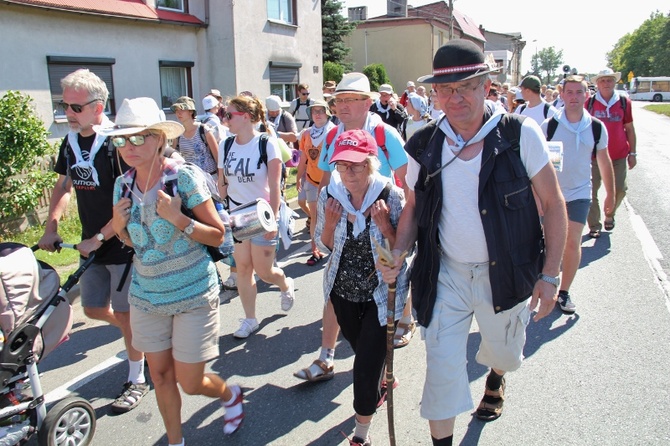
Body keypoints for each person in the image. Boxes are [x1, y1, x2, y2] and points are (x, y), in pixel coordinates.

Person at [377, 40, 567, 445]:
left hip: (507, 273)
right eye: (445, 89)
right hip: (446, 274)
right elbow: (412, 206)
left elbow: (552, 204)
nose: (455, 97)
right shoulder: (423, 143)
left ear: (485, 85)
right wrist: (398, 251)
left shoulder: (519, 134)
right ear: (434, 93)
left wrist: (550, 275)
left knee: (504, 354)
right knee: (441, 368)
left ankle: (496, 375)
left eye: (465, 86)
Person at [105, 97, 244, 443]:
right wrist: (118, 226)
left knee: (191, 381)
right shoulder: (122, 186)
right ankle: (176, 441)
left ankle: (229, 394)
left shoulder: (181, 178)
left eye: (139, 138)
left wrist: (179, 219)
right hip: (147, 298)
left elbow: (218, 233)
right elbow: (134, 243)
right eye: (122, 139)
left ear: (159, 138)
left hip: (194, 293)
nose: (129, 147)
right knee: (162, 377)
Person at [38, 69, 148, 414]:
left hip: (122, 243)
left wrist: (100, 237)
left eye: (75, 107)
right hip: (92, 244)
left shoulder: (117, 143)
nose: (68, 113)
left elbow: (131, 200)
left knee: (128, 316)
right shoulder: (69, 144)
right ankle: (144, 335)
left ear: (98, 107)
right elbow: (63, 188)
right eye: (64, 105)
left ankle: (137, 379)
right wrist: (51, 227)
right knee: (93, 309)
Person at [294, 71, 409, 381]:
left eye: (349, 100)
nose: (341, 107)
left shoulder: (386, 134)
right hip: (344, 226)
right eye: (338, 100)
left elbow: (409, 185)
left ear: (367, 103)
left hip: (382, 224)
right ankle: (326, 357)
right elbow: (328, 183)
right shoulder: (333, 136)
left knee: (387, 291)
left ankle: (399, 326)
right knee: (335, 290)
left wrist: (402, 234)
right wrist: (321, 226)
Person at [315, 129, 408, 446]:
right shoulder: (330, 195)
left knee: (364, 366)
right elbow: (325, 246)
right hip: (342, 293)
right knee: (363, 351)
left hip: (381, 296)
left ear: (370, 163)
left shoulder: (390, 196)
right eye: (342, 165)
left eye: (355, 164)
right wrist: (328, 224)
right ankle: (382, 378)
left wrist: (385, 227)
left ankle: (360, 433)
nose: (348, 172)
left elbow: (403, 249)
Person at [219, 95, 295, 339]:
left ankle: (285, 284)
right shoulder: (225, 145)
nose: (225, 119)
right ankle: (250, 319)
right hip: (238, 215)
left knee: (264, 272)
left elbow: (275, 187)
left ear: (247, 117)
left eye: (229, 115)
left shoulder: (266, 143)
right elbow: (223, 182)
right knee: (242, 268)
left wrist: (272, 219)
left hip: (261, 214)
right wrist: (222, 211)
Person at [541, 75, 615, 313]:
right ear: (561, 95)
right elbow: (535, 165)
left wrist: (610, 195)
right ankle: (542, 285)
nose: (574, 97)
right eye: (569, 92)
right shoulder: (549, 126)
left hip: (580, 193)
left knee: (572, 242)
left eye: (579, 92)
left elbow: (604, 161)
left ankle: (564, 292)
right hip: (550, 195)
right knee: (546, 243)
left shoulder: (595, 126)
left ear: (587, 95)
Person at [586, 68, 637, 238]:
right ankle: (594, 225)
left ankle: (610, 214)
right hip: (594, 156)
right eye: (602, 81)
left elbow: (629, 128)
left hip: (618, 155)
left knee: (620, 189)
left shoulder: (624, 102)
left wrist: (633, 153)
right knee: (590, 191)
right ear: (597, 84)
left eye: (609, 80)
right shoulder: (590, 103)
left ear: (615, 82)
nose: (606, 84)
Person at [296, 99, 336, 266]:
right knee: (315, 216)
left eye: (321, 111)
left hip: (332, 181)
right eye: (314, 111)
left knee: (332, 215)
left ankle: (334, 246)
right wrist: (299, 176)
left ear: (327, 113)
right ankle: (315, 249)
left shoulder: (334, 132)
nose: (318, 114)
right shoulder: (306, 134)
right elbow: (304, 157)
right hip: (312, 180)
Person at [171, 96, 219, 179]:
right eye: (176, 110)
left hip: (210, 177)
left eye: (182, 110)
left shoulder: (203, 130)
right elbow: (172, 156)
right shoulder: (178, 134)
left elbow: (217, 157)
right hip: (192, 181)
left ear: (191, 112)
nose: (178, 113)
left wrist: (221, 179)